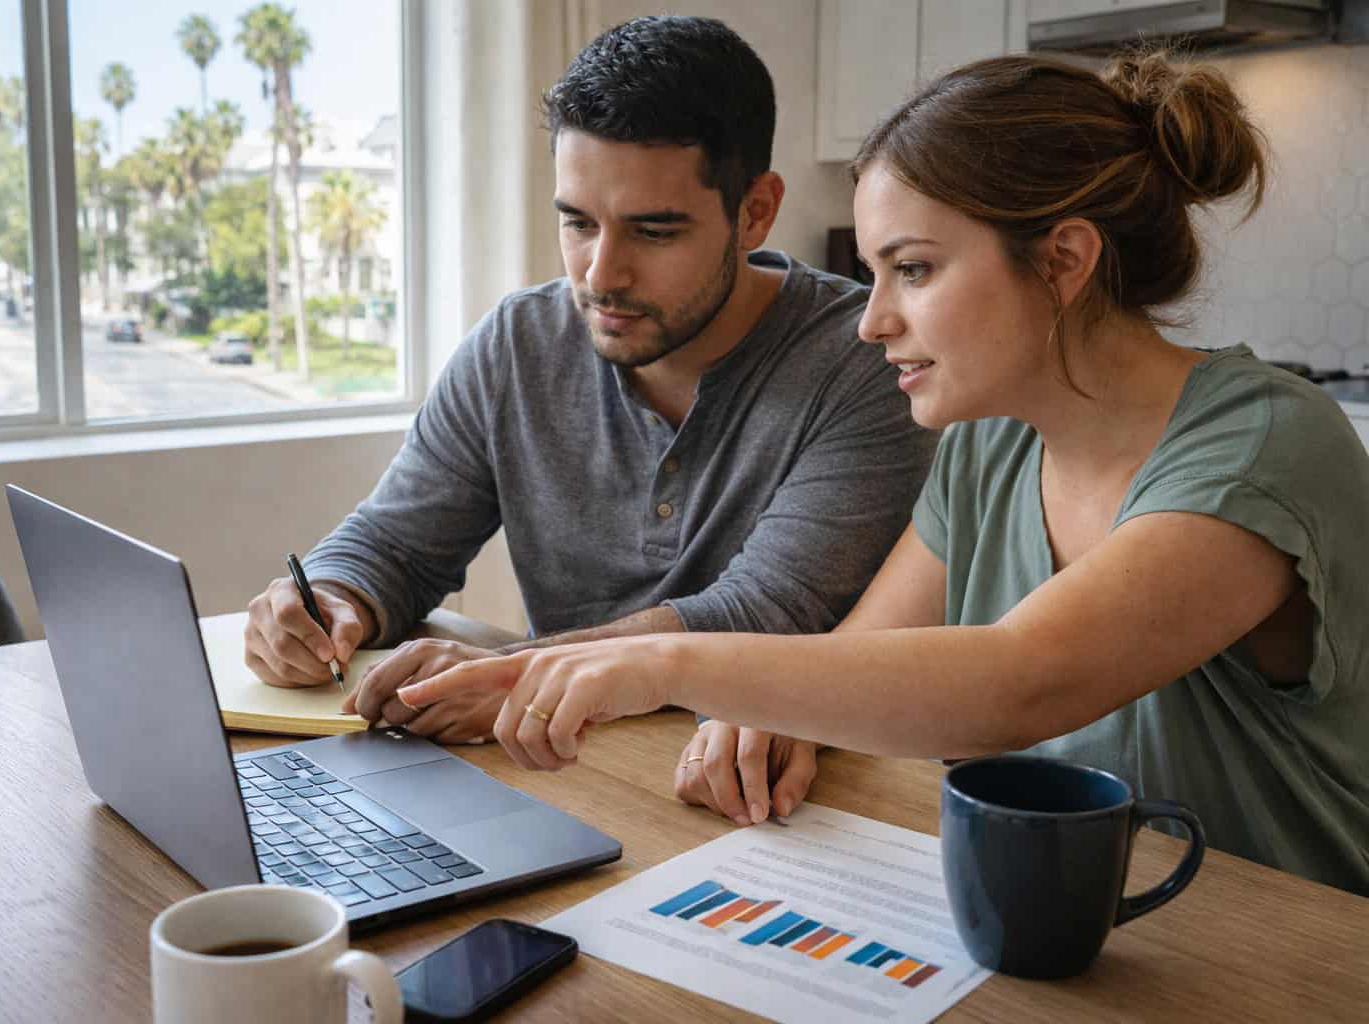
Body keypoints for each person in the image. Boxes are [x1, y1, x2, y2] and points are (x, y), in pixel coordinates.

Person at [393, 51, 1369, 895]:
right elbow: (861, 656)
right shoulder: (994, 445)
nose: (872, 320)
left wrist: (652, 662)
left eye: (914, 270)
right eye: (873, 272)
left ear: (1064, 261)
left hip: (1287, 948)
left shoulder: (1266, 441)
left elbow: (1017, 682)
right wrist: (782, 717)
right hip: (1080, 924)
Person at [243, 16, 936, 827]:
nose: (601, 274)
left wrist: (515, 673)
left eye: (653, 229)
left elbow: (768, 613)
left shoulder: (864, 358)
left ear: (755, 212)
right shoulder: (518, 343)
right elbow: (395, 542)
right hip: (556, 775)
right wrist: (330, 601)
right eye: (578, 222)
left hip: (776, 803)